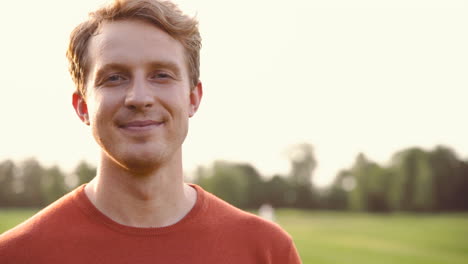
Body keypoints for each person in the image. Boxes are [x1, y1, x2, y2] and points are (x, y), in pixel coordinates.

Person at [0, 0, 301, 263]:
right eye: (115, 77)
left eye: (161, 75)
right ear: (82, 106)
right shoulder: (16, 255)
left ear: (193, 98)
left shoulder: (267, 251)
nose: (139, 97)